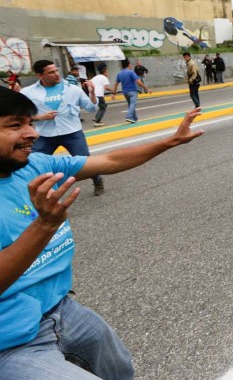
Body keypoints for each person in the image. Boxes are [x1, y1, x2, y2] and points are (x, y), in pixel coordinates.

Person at [0, 86, 203, 379]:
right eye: (15, 125)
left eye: (30, 123)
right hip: (11, 342)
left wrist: (170, 141)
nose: (32, 133)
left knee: (119, 369)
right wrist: (44, 226)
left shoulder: (35, 165)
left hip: (60, 307)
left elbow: (109, 162)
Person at [21, 60, 105, 197]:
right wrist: (39, 117)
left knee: (86, 162)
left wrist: (92, 93)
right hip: (45, 135)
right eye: (51, 72)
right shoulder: (28, 92)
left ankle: (97, 180)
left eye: (56, 70)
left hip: (72, 133)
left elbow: (91, 108)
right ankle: (30, 190)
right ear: (40, 75)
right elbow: (19, 115)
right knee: (30, 162)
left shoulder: (73, 89)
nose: (56, 74)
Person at [112, 59, 151, 124]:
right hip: (132, 91)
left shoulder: (119, 74)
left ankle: (134, 118)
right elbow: (138, 81)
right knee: (133, 104)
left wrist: (114, 93)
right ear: (128, 64)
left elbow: (116, 83)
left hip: (125, 92)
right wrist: (146, 88)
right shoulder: (131, 72)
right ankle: (129, 116)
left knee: (130, 104)